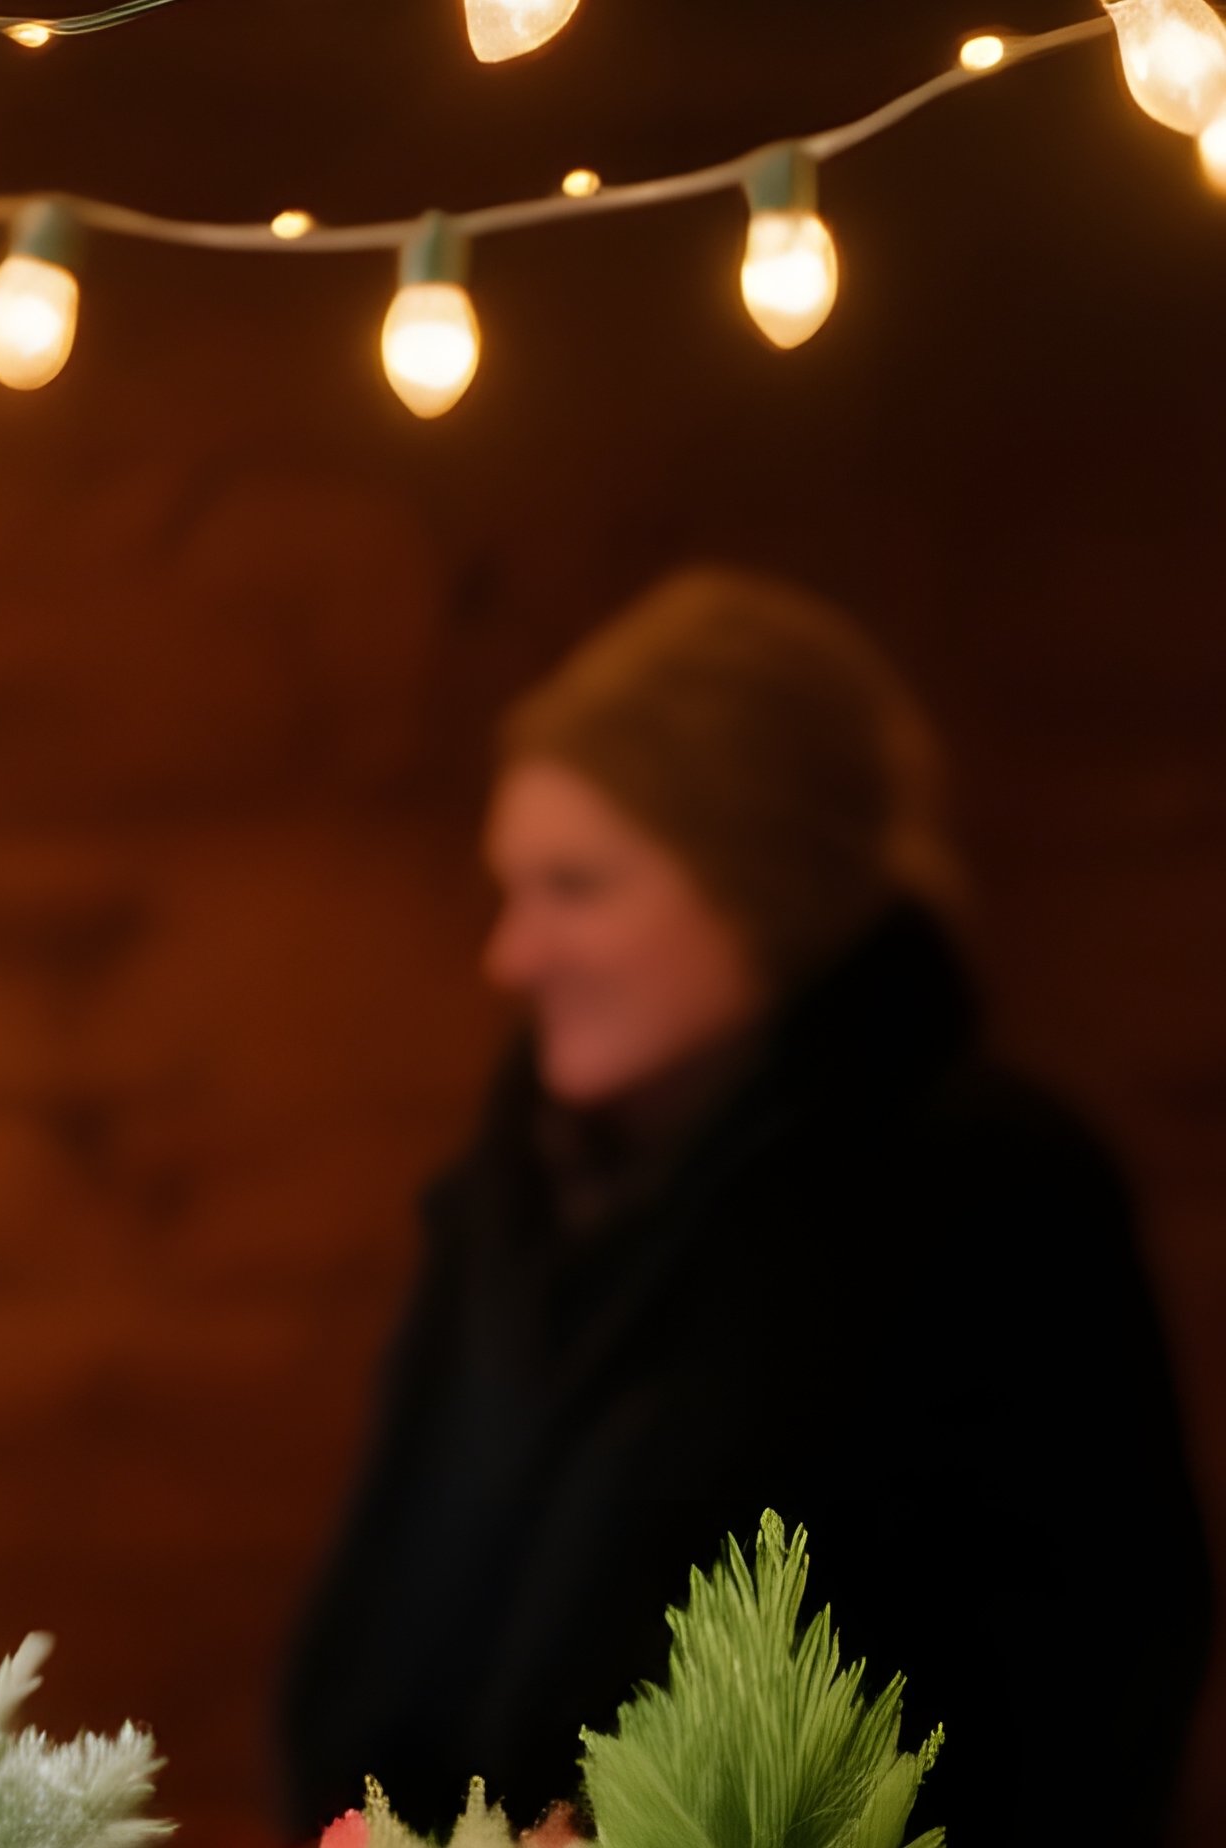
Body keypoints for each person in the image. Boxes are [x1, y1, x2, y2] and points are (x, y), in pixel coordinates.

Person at [278, 568, 1212, 1847]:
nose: (511, 953)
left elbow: (1081, 1708)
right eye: (511, 887)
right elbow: (364, 1669)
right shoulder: (511, 1214)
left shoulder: (988, 1206)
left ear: (760, 880)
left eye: (578, 886)